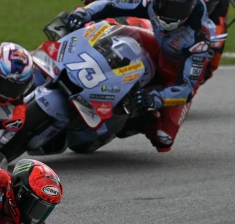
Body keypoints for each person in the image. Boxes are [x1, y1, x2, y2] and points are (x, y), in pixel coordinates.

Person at [68, 0, 211, 152]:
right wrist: (84, 13)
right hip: (157, 48)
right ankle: (75, 59)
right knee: (110, 30)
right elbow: (113, 3)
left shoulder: (199, 38)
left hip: (174, 79)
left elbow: (185, 89)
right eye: (166, 5)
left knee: (163, 137)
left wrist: (154, 99)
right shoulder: (149, 3)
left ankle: (135, 118)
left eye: (179, 8)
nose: (170, 13)